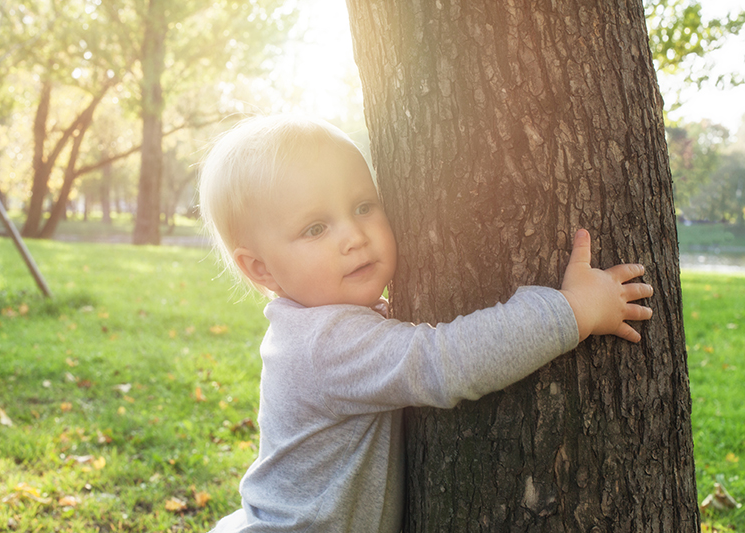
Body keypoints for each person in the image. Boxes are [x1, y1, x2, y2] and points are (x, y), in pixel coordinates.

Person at [198, 114, 653, 532]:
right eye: (316, 228)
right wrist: (573, 310)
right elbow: (446, 360)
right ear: (262, 270)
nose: (354, 237)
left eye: (363, 206)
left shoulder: (313, 327)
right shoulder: (325, 343)